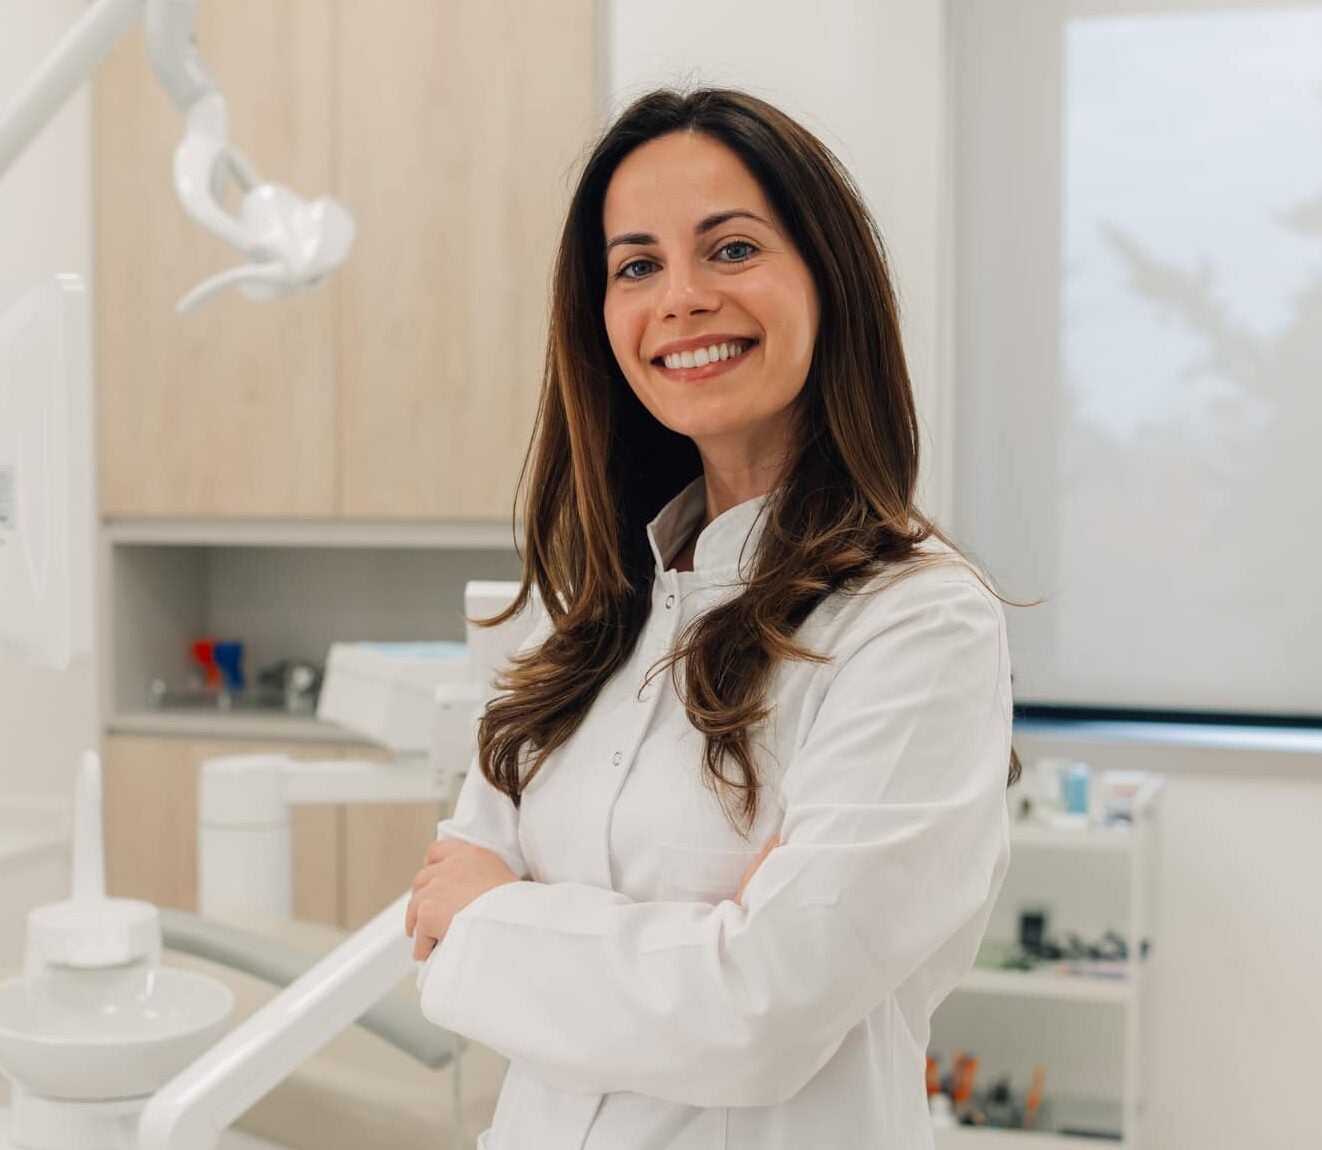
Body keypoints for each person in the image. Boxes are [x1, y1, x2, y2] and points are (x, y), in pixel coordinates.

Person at [405, 87, 1019, 1149]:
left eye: (730, 249)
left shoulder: (917, 624)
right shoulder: (589, 618)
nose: (679, 298)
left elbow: (757, 1013)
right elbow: (432, 914)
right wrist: (689, 944)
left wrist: (499, 921)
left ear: (827, 281)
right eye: (636, 265)